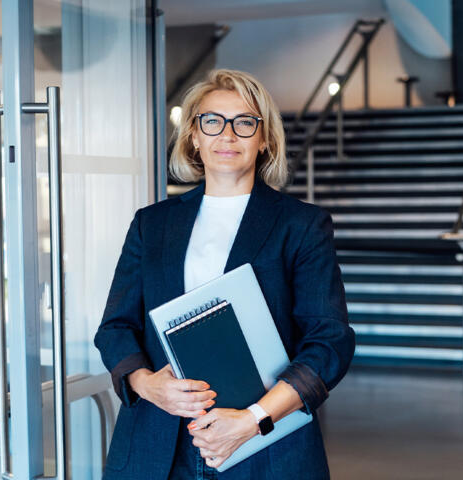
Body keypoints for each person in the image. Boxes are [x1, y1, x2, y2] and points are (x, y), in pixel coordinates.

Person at [94, 69, 355, 480]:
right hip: (158, 444)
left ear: (264, 138)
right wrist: (147, 384)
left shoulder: (301, 225)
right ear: (194, 136)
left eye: (244, 123)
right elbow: (115, 327)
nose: (227, 135)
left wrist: (253, 419)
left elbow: (330, 341)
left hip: (264, 444)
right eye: (212, 121)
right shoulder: (152, 224)